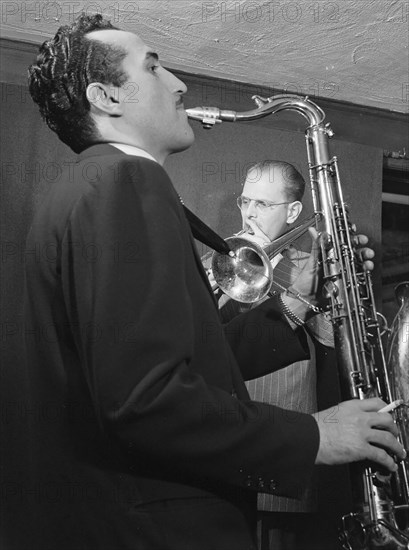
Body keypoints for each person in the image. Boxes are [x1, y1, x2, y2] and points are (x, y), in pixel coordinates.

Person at [23, 13, 404, 550]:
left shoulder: (90, 186)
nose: (178, 83)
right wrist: (316, 434)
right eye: (153, 67)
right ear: (106, 96)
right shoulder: (125, 181)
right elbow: (145, 400)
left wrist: (293, 302)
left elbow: (187, 366)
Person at [213, 160, 374, 549]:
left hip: (285, 456)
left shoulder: (309, 268)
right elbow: (205, 347)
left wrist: (336, 288)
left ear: (294, 212)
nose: (250, 212)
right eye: (245, 201)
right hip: (226, 450)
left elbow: (332, 354)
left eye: (264, 204)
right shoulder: (217, 261)